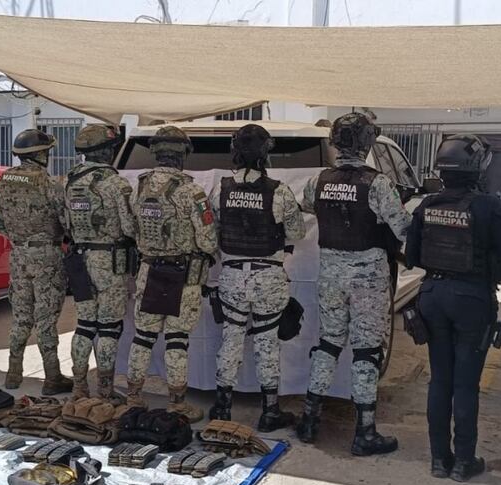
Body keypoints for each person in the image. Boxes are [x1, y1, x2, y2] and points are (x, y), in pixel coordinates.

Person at [406, 134, 501, 481]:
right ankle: (463, 461)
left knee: (440, 380)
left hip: (433, 295)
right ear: (477, 169)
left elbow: (412, 256)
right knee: (465, 384)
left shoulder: (427, 205)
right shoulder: (489, 207)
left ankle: (438, 460)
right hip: (471, 299)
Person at [295, 112, 410, 456]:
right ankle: (365, 433)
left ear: (335, 141)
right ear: (367, 143)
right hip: (368, 279)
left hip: (330, 273)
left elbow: (307, 206)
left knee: (328, 344)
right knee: (366, 351)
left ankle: (309, 421)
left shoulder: (319, 180)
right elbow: (403, 229)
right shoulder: (378, 184)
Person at [207, 124, 305, 431]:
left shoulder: (220, 189)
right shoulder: (280, 191)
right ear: (265, 153)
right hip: (268, 277)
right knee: (267, 342)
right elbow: (297, 232)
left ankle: (222, 408)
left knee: (231, 339)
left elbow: (210, 233)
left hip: (232, 276)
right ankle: (270, 411)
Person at [122, 125, 217, 421]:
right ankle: (177, 403)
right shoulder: (192, 192)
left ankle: (133, 396)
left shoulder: (139, 187)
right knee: (176, 340)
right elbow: (207, 239)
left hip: (148, 270)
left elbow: (129, 228)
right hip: (183, 275)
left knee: (143, 337)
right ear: (182, 154)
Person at [0, 128, 73, 395]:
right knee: (46, 318)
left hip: (18, 256)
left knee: (21, 316)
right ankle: (52, 376)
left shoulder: (4, 181)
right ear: (41, 153)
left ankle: (13, 374)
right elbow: (67, 223)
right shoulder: (49, 184)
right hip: (47, 256)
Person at [62, 123, 132, 399]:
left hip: (79, 259)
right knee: (108, 328)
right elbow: (129, 227)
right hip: (110, 261)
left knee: (84, 325)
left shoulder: (69, 181)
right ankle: (105, 389)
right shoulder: (116, 183)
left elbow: (64, 222)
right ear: (105, 151)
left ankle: (79, 385)